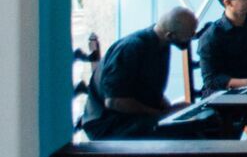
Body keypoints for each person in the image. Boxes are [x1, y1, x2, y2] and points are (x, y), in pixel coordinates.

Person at [82, 7, 197, 137]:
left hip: (134, 119)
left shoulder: (161, 45)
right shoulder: (131, 48)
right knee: (182, 133)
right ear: (170, 35)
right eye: (190, 34)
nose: (192, 37)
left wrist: (170, 109)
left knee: (199, 124)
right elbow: (115, 101)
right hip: (109, 125)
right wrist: (161, 114)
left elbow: (149, 90)